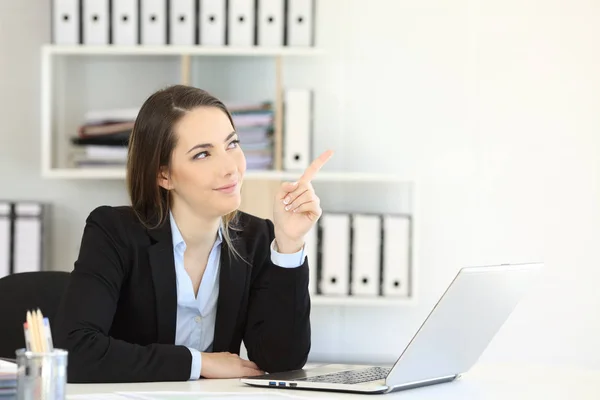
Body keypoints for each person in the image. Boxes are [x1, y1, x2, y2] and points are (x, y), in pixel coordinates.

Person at [53, 84, 333, 383]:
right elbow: (74, 351)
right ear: (164, 175)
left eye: (232, 144)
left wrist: (289, 244)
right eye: (202, 154)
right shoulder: (114, 231)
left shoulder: (258, 238)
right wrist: (197, 363)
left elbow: (283, 361)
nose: (230, 167)